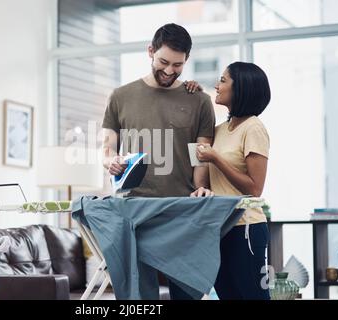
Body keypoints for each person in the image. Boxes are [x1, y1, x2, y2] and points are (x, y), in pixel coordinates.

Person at [102, 23, 215, 299]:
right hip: (135, 211)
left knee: (187, 293)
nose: (169, 70)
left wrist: (200, 187)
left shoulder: (199, 100)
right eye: (163, 61)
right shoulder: (120, 96)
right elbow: (107, 149)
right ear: (150, 51)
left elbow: (199, 154)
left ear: (186, 59)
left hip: (182, 212)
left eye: (178, 65)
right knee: (140, 297)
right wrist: (111, 161)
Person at [189, 62, 271, 300]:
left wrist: (216, 158)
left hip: (246, 227)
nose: (217, 85)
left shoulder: (253, 128)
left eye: (223, 80)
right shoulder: (220, 129)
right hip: (219, 227)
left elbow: (255, 188)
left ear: (241, 89)